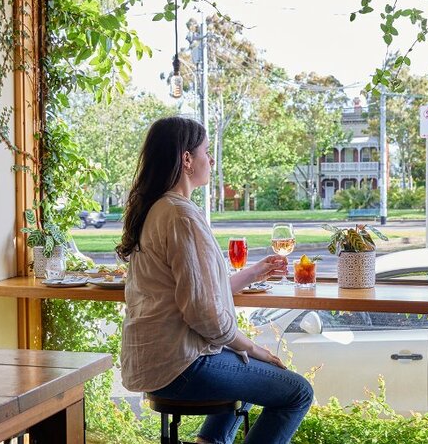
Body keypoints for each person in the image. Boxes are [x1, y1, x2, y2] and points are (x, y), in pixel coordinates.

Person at [118, 116, 313, 444]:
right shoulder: (181, 216)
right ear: (187, 159)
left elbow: (195, 293)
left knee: (245, 365)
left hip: (152, 363)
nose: (211, 160)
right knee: (297, 392)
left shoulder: (157, 209)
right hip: (179, 367)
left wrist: (251, 273)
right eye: (207, 152)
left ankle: (208, 441)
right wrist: (254, 347)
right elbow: (203, 314)